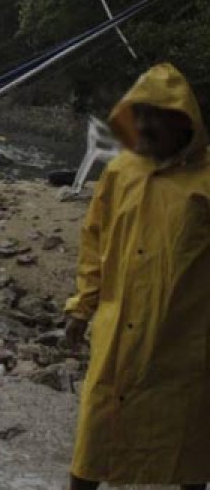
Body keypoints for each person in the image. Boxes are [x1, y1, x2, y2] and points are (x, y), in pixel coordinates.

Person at [64, 63, 210, 490]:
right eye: (138, 114)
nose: (143, 126)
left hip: (182, 340)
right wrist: (82, 305)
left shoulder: (204, 182)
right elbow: (95, 241)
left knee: (189, 448)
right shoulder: (120, 172)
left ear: (183, 121)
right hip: (116, 335)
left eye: (156, 116)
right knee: (94, 440)